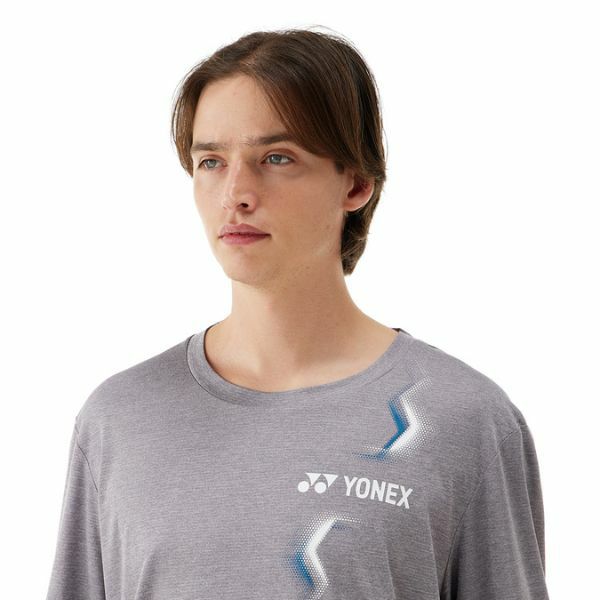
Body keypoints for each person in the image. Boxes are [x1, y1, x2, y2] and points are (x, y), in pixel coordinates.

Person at [45, 27, 550, 600]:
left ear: (356, 182)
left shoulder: (462, 418)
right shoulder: (119, 418)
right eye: (211, 161)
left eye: (276, 158)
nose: (235, 193)